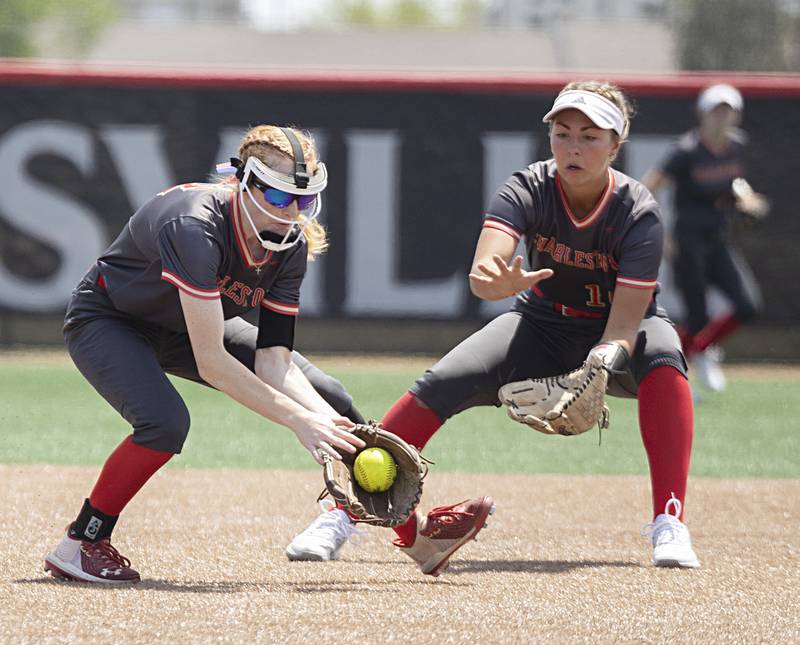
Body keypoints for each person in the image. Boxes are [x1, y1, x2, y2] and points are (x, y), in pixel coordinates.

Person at [287, 80, 701, 574]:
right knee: (439, 383)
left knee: (665, 360)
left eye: (590, 137)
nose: (573, 147)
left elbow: (624, 326)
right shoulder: (528, 187)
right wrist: (496, 282)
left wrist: (597, 368)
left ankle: (669, 522)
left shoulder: (638, 213)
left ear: (616, 144)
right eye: (563, 132)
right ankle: (340, 515)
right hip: (541, 324)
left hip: (620, 334)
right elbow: (484, 275)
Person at [44, 125, 367, 584]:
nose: (293, 213)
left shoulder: (290, 245)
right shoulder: (194, 225)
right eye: (278, 198)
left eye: (306, 201)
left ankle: (411, 532)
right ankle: (82, 542)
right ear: (242, 182)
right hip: (110, 318)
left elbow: (274, 360)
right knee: (164, 423)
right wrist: (297, 420)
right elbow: (214, 362)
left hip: (183, 325)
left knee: (328, 396)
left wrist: (322, 419)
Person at [642, 83, 767, 392]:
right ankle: (670, 378)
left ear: (737, 116)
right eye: (716, 111)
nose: (721, 118)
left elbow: (733, 185)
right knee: (697, 316)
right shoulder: (686, 151)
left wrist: (745, 198)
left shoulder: (737, 145)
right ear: (702, 114)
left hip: (718, 239)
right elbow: (647, 189)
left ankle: (699, 351)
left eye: (728, 111)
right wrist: (661, 234)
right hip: (688, 242)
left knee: (747, 305)